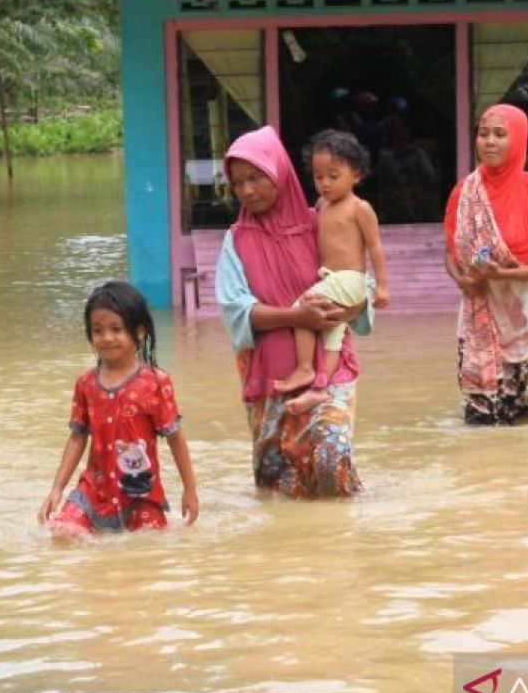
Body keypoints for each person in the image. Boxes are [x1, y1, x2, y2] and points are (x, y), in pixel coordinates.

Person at [214, 125, 371, 498]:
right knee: (279, 483)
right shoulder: (235, 239)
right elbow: (236, 311)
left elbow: (357, 281)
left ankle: (343, 549)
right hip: (270, 379)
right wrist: (296, 317)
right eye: (238, 183)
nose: (247, 190)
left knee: (330, 457)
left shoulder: (320, 223)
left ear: (279, 172)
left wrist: (349, 304)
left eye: (256, 177)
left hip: (329, 371)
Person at [37, 281, 199, 535]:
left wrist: (190, 490)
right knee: (62, 534)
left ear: (140, 331)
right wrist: (56, 489)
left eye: (117, 329)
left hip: (140, 493)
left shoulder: (156, 383)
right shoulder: (86, 384)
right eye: (98, 330)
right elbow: (77, 438)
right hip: (93, 490)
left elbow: (175, 438)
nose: (107, 338)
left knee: (149, 547)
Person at [444, 103, 528, 426]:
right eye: (483, 134)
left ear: (519, 140)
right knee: (480, 418)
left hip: (527, 320)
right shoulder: (464, 193)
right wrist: (461, 280)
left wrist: (502, 274)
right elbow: (450, 253)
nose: (490, 142)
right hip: (479, 316)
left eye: (500, 134)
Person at [272, 129, 389, 415]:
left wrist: (382, 287)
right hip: (331, 278)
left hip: (350, 279)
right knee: (332, 334)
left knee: (302, 309)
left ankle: (303, 369)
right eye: (318, 176)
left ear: (356, 175)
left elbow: (375, 248)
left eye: (333, 176)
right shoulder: (321, 205)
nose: (324, 183)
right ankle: (320, 388)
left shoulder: (360, 208)